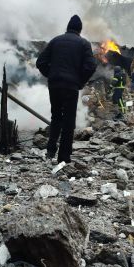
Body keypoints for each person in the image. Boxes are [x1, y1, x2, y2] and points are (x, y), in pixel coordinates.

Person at [36, 14, 97, 163]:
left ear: (68, 27)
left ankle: (50, 150)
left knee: (56, 117)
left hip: (54, 85)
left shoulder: (55, 41)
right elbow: (91, 66)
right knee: (69, 121)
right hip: (70, 87)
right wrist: (80, 82)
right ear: (79, 29)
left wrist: (50, 75)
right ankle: (64, 157)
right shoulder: (83, 44)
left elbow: (40, 62)